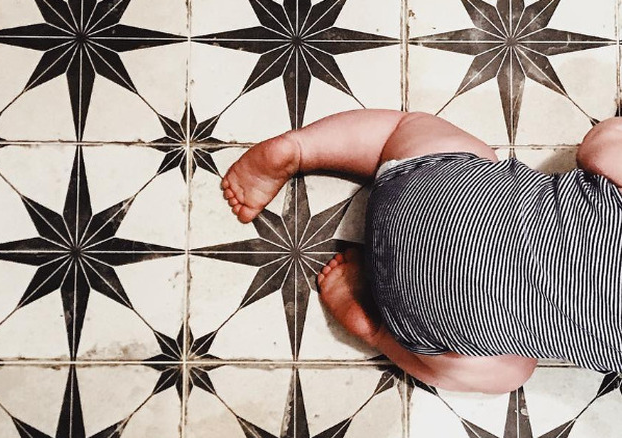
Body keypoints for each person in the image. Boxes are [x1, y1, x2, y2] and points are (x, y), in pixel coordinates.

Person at [220, 110, 622, 395]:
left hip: (426, 193)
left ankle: (301, 148)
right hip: (430, 315)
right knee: (510, 373)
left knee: (401, 132)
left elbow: (599, 148)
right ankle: (375, 329)